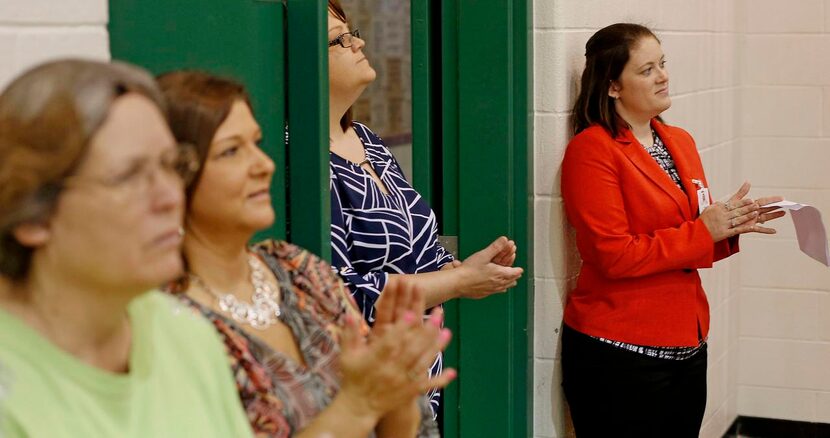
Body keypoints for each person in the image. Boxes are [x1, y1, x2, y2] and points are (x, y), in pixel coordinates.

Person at [158, 70, 453, 438]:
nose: (264, 164)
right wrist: (358, 404)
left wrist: (396, 386)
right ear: (171, 176)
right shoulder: (164, 318)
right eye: (231, 151)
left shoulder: (297, 269)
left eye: (257, 143)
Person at [0, 59, 253, 437]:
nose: (170, 196)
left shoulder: (185, 335)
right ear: (32, 218)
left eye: (171, 165)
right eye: (129, 176)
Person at [559, 23, 785, 437]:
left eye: (662, 64)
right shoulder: (591, 150)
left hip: (687, 340)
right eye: (646, 70)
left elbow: (690, 230)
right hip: (621, 352)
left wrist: (732, 223)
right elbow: (612, 254)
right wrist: (704, 231)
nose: (663, 76)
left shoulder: (679, 140)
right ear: (612, 87)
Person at [326, 0, 525, 416]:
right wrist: (459, 282)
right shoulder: (307, 163)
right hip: (358, 388)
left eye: (352, 32)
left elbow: (417, 254)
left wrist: (461, 269)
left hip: (416, 380)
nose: (358, 42)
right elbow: (342, 294)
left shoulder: (368, 140)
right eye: (340, 40)